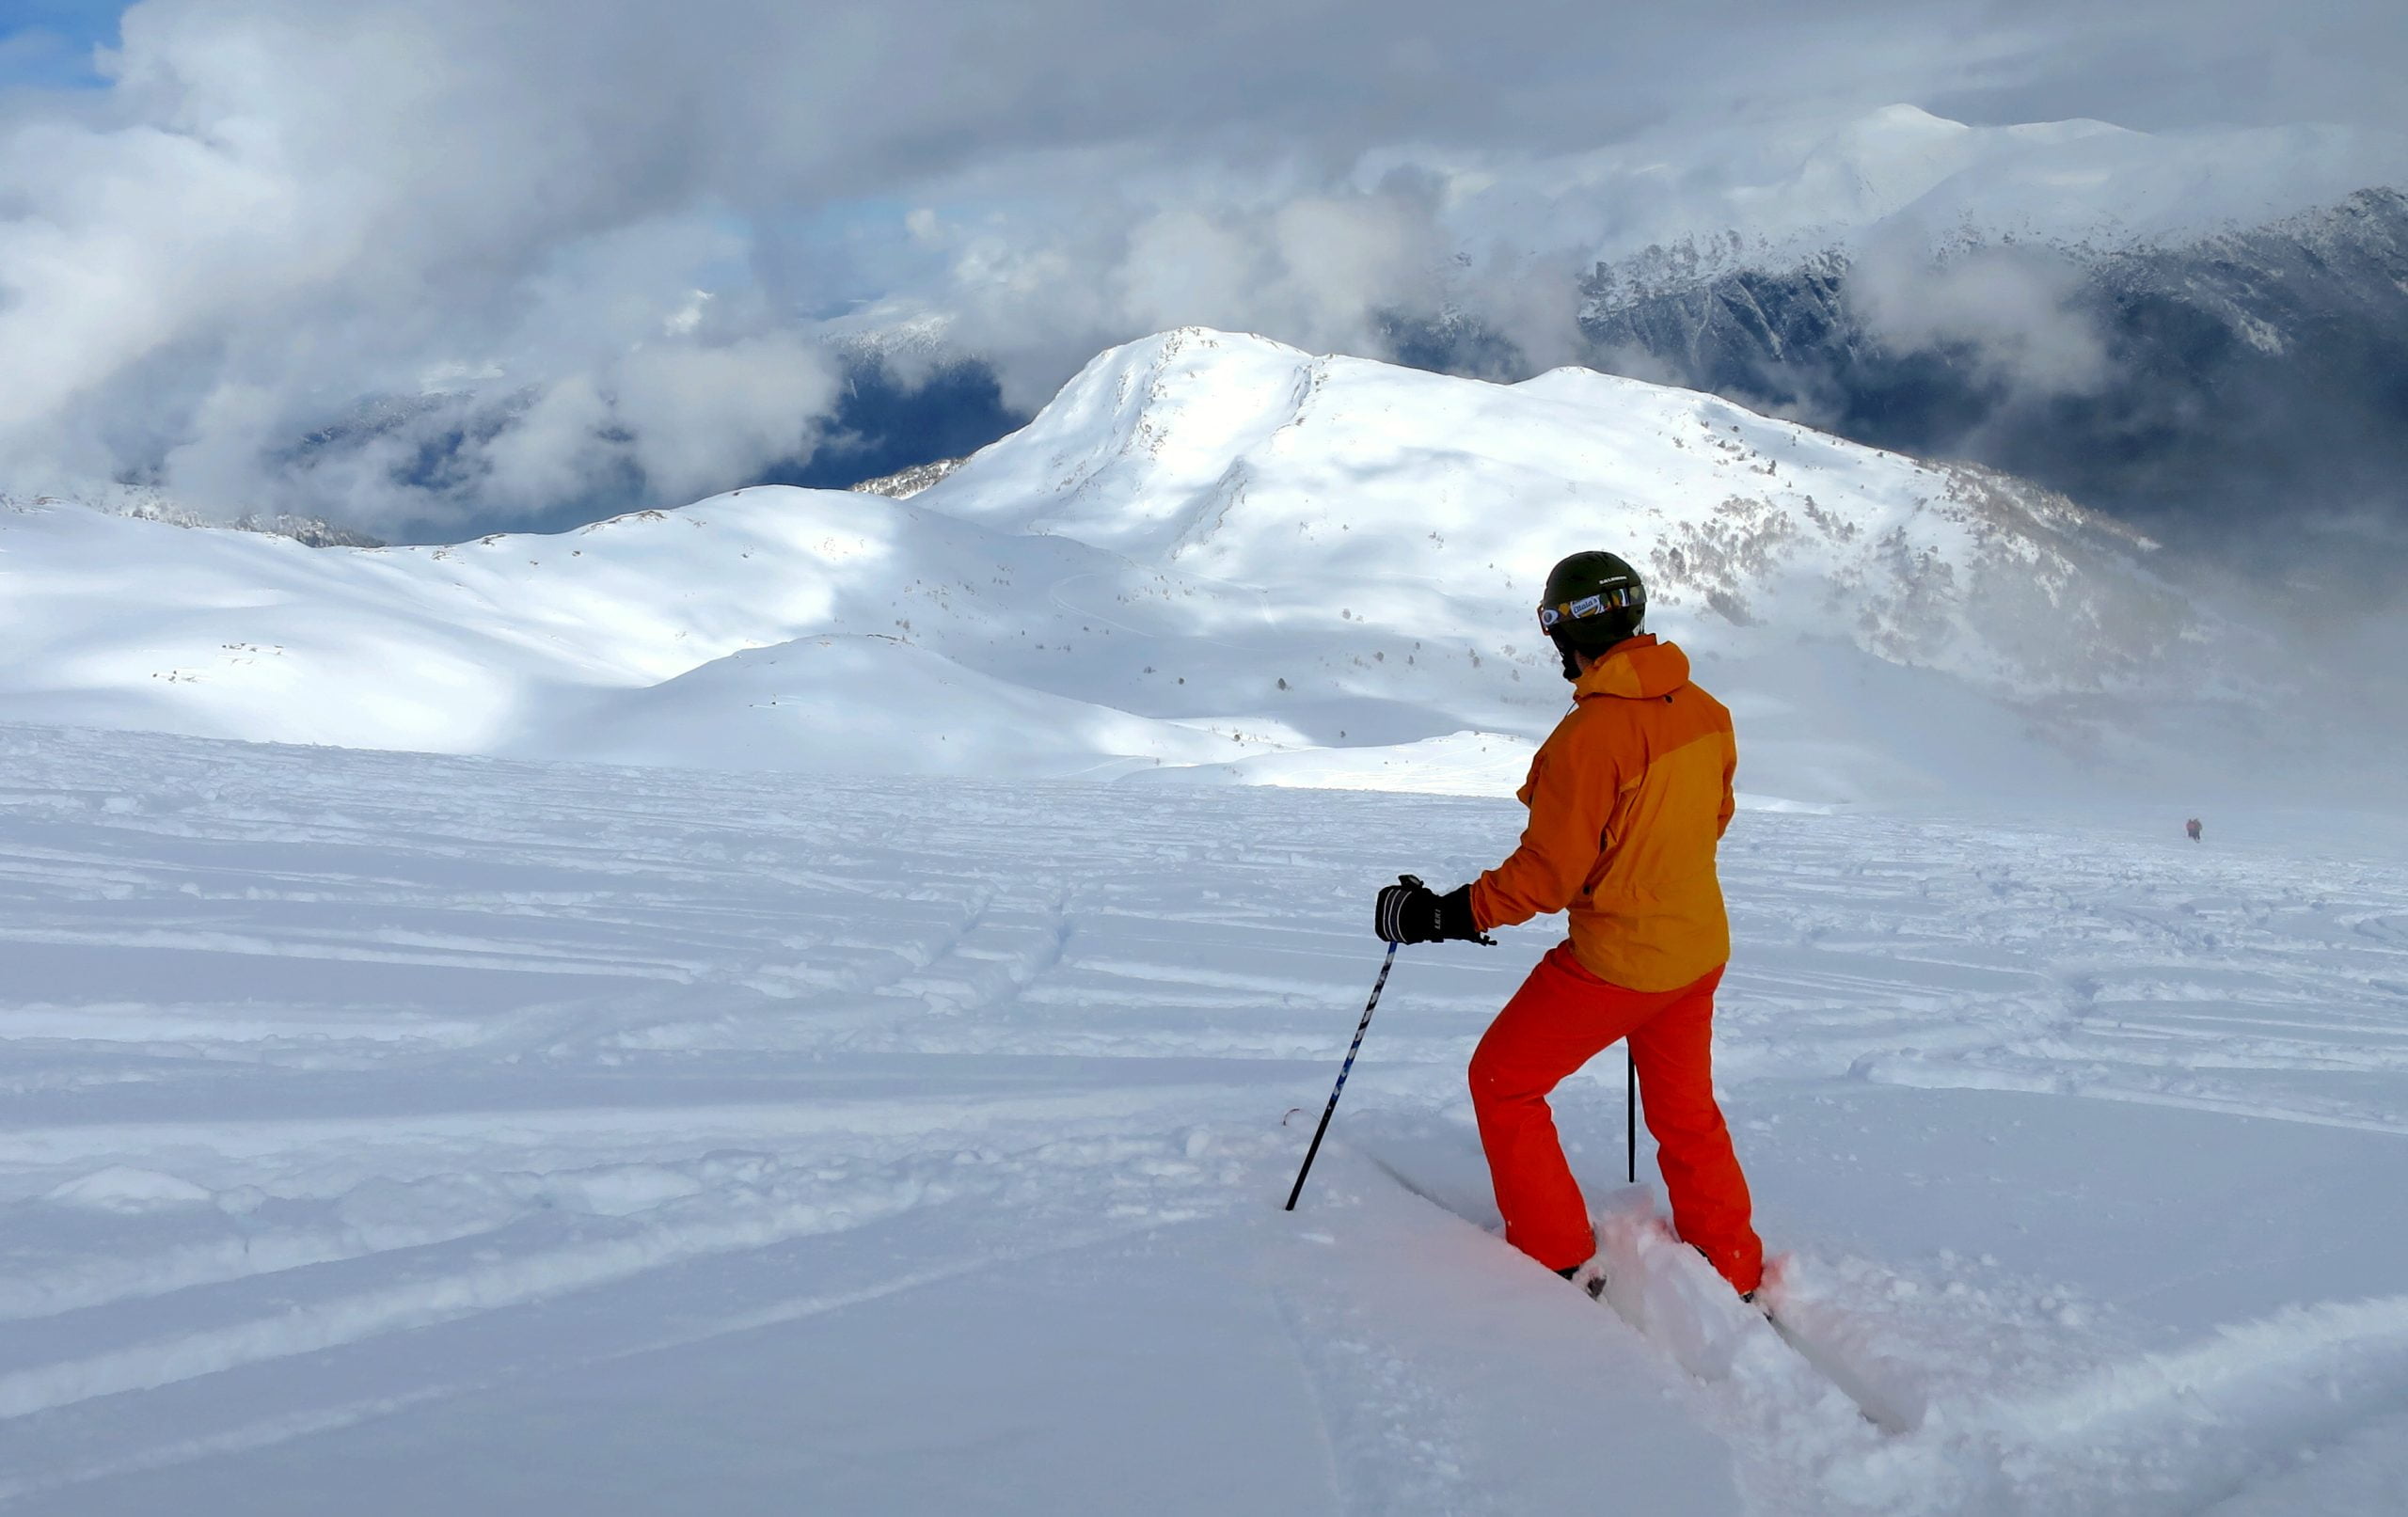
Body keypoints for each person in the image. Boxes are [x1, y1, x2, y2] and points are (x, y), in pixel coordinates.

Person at [1374, 550, 1762, 1300]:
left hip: (1620, 961)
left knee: (1503, 1080)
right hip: (1696, 948)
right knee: (1686, 1113)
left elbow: (1545, 878)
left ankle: (1555, 1252)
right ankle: (1732, 1262)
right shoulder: (1707, 709)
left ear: (1563, 634)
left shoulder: (1589, 740)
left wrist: (1440, 913)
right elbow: (1714, 816)